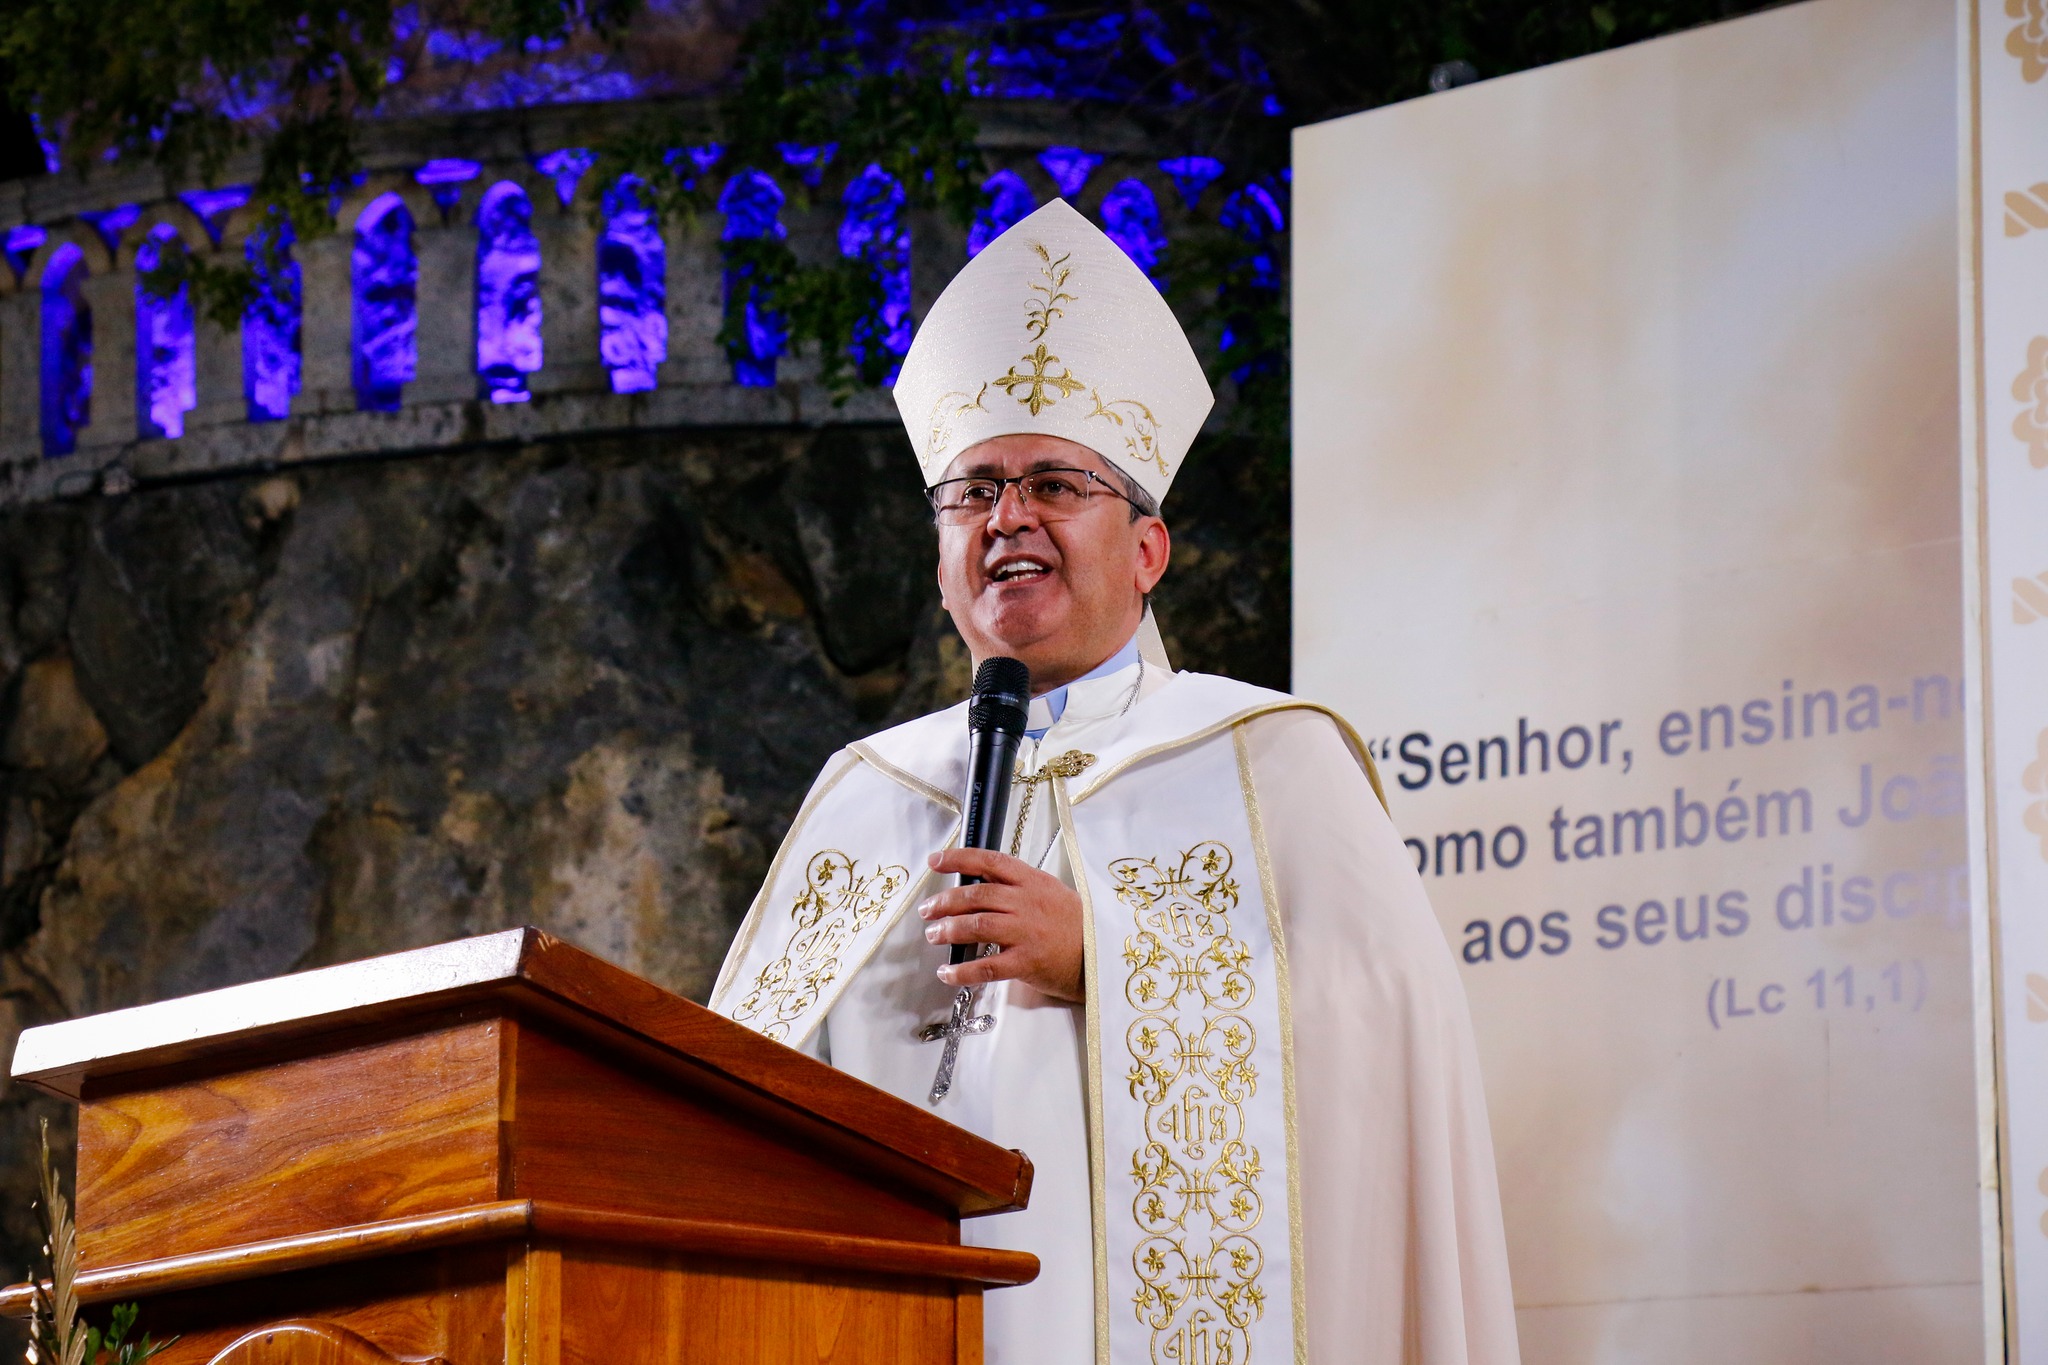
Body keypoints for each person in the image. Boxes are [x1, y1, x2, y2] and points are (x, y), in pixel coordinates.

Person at [711, 199, 1520, 1365]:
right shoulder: (869, 791)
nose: (1007, 519)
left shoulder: (1264, 754)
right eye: (972, 492)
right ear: (940, 555)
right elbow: (738, 1103)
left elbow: (1388, 1048)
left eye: (1053, 484)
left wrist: (1108, 962)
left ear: (1146, 550)